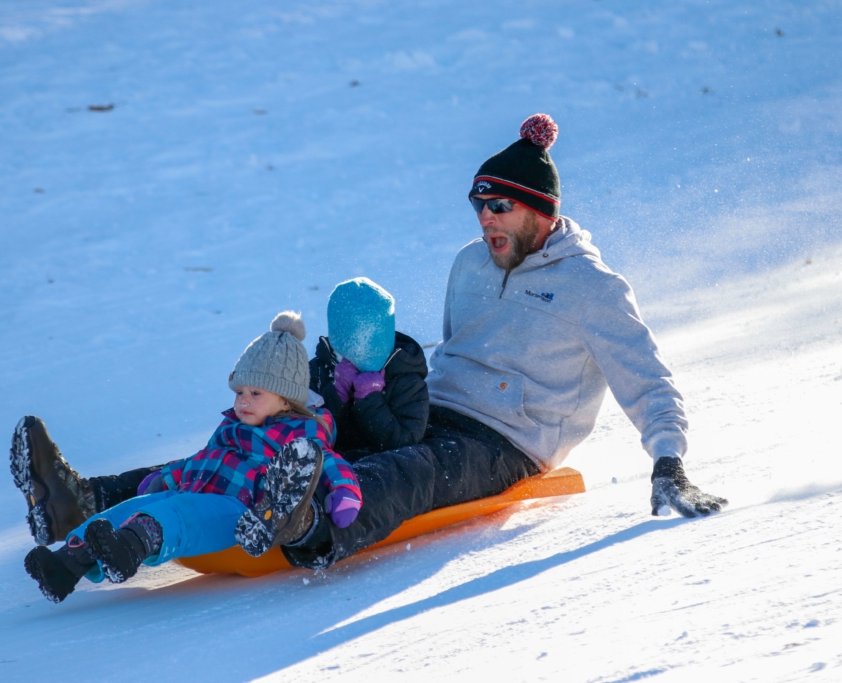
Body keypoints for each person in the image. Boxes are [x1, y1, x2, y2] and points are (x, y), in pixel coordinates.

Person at [241, 113, 727, 569]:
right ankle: (217, 479)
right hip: (431, 410)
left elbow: (648, 380)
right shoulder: (470, 263)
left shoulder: (593, 288)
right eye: (478, 206)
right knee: (318, 422)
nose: (485, 218)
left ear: (540, 211)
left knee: (414, 470)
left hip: (507, 441)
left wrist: (669, 462)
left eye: (499, 206)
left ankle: (306, 524)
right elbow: (455, 348)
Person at [11, 279, 430, 547]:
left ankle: (262, 518)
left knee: (228, 470)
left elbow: (399, 441)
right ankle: (76, 501)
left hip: (316, 466)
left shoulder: (403, 373)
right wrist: (335, 394)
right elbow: (304, 409)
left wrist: (371, 398)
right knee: (202, 461)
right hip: (285, 446)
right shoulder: (323, 362)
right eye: (341, 336)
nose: (348, 347)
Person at [17, 312, 362, 602]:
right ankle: (67, 564)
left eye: (256, 393)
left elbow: (329, 464)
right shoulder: (231, 426)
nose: (243, 401)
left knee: (175, 516)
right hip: (196, 491)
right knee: (128, 510)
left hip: (237, 509)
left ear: (286, 400)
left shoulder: (301, 434)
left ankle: (127, 550)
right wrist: (168, 477)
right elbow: (205, 459)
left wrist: (346, 494)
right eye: (240, 391)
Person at [309, 277, 430, 461]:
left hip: (381, 475)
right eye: (350, 346)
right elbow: (304, 434)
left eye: (369, 343)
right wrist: (336, 394)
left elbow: (405, 445)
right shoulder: (319, 371)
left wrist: (370, 400)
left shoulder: (405, 378)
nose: (359, 352)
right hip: (329, 472)